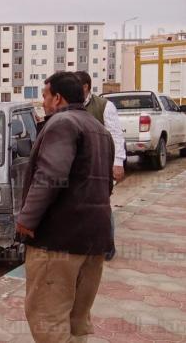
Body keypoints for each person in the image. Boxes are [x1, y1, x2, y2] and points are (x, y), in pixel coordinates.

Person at [16, 71, 114, 342]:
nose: (43, 103)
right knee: (77, 319)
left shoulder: (62, 123)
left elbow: (50, 176)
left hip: (59, 242)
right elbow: (107, 185)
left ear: (58, 98)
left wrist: (27, 220)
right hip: (94, 241)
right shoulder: (100, 129)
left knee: (48, 319)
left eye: (45, 96)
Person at [74, 71, 126, 182]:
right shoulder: (69, 105)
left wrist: (118, 162)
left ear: (85, 87)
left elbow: (115, 135)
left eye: (73, 86)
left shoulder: (105, 106)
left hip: (98, 165)